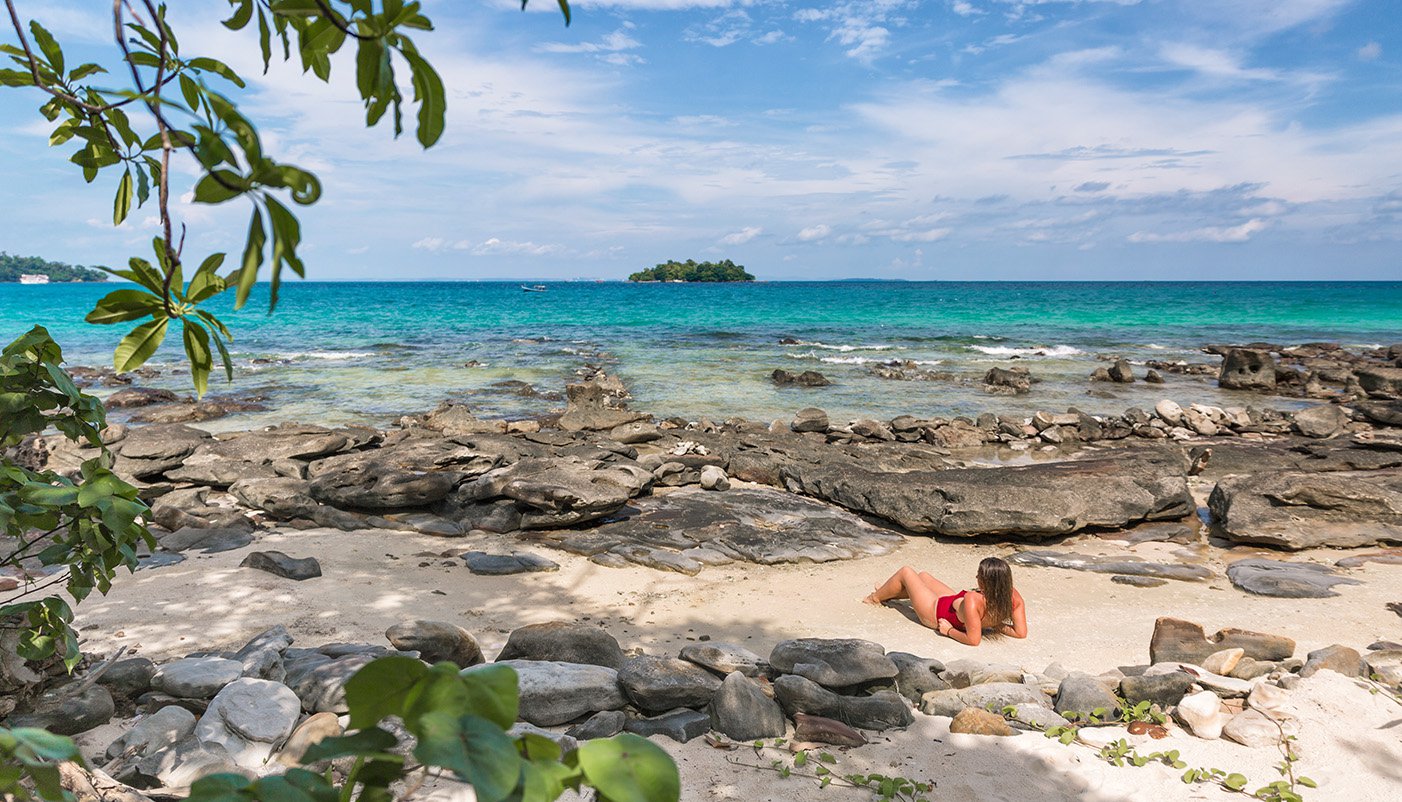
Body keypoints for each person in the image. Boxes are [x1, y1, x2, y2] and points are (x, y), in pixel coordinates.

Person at [862, 557, 1027, 646]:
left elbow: (973, 640)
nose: (976, 578)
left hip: (935, 612)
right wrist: (995, 623)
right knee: (923, 576)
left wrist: (948, 631)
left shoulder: (973, 600)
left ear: (987, 582)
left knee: (906, 572)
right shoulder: (1013, 596)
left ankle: (874, 598)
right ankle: (887, 591)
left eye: (979, 576)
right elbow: (1020, 633)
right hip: (952, 603)